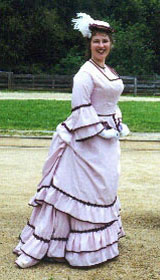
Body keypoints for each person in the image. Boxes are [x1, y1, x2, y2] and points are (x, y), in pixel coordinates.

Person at [13, 13, 130, 268]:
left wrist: (117, 123)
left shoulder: (108, 70)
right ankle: (64, 244)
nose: (101, 46)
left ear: (111, 45)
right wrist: (100, 130)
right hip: (85, 140)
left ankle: (101, 240)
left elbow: (111, 102)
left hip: (107, 140)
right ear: (89, 44)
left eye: (105, 41)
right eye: (97, 41)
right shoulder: (85, 73)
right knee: (80, 189)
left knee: (104, 186)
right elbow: (80, 106)